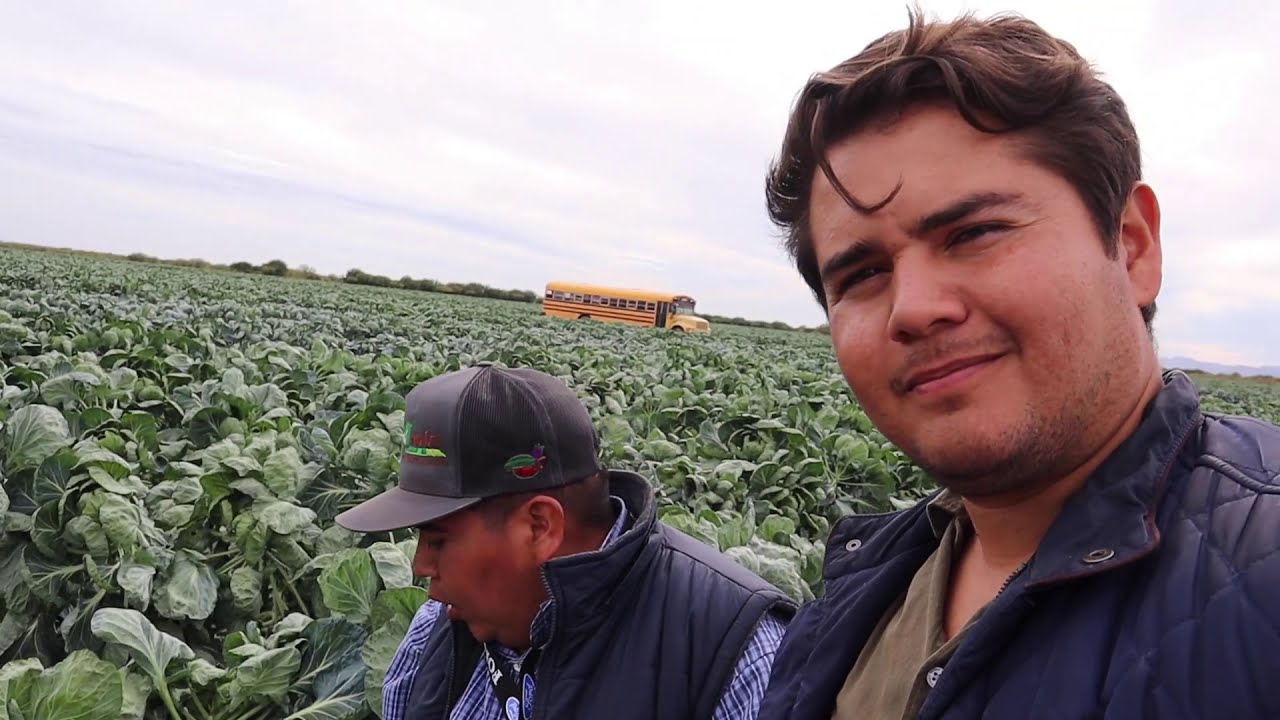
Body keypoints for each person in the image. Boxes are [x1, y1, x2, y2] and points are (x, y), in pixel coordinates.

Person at [755, 7, 1280, 720]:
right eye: (863, 274)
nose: (913, 308)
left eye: (974, 232)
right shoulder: (866, 580)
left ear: (1131, 247)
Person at [335, 363, 796, 720]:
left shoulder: (737, 653)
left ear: (539, 526)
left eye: (437, 540)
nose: (420, 566)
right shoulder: (438, 625)